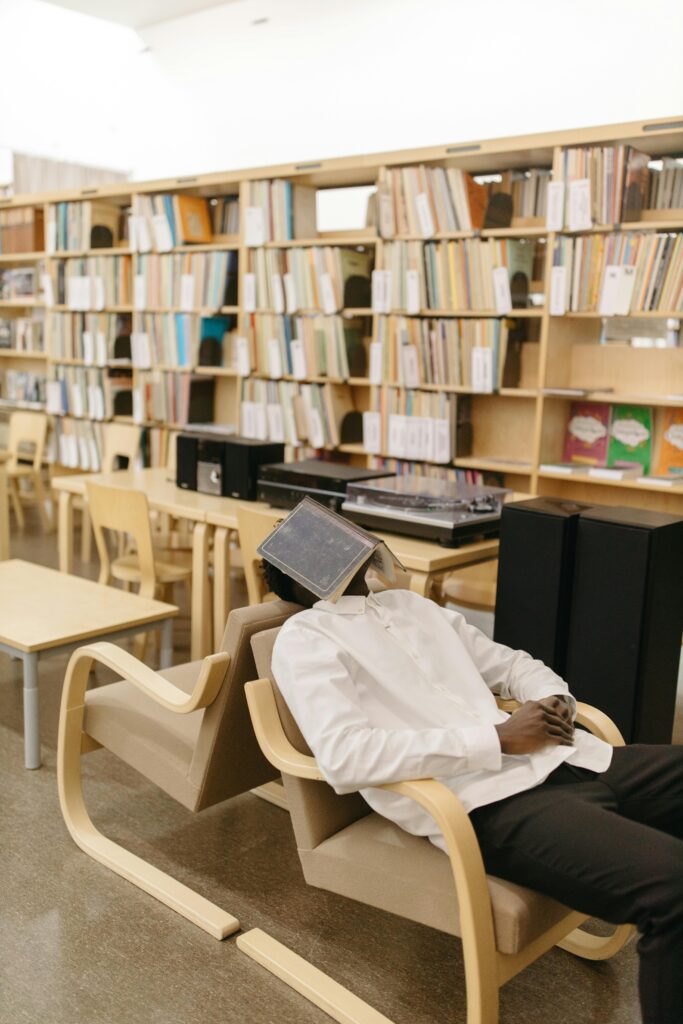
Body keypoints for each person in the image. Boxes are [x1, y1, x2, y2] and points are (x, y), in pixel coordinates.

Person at [262, 554, 683, 1024]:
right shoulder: (304, 639)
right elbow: (346, 756)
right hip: (492, 802)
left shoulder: (410, 606)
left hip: (571, 757)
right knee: (673, 888)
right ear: (297, 576)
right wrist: (497, 739)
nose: (353, 546)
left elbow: (511, 665)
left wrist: (553, 699)